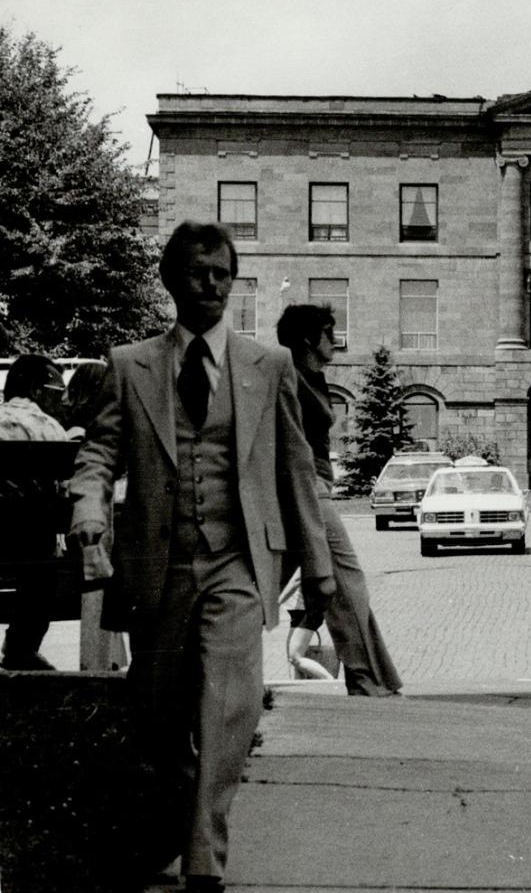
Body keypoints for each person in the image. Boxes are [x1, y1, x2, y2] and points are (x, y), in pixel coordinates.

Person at [69, 220, 334, 891]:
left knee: (229, 702)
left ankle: (202, 858)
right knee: (156, 721)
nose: (212, 285)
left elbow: (296, 469)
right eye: (197, 272)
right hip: (159, 564)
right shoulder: (129, 365)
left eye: (222, 273)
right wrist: (88, 514)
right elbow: (100, 452)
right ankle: (191, 808)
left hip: (238, 561)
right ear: (170, 281)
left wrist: (320, 570)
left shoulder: (267, 366)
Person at [276, 303, 402, 696]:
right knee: (347, 582)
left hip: (319, 488)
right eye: (329, 333)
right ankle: (368, 681)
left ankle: (371, 679)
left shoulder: (316, 378)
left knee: (315, 582)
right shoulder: (287, 377)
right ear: (307, 340)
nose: (336, 340)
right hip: (306, 489)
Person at [0, 353, 71, 671]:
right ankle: (21, 648)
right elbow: (64, 491)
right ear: (37, 391)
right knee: (42, 551)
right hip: (31, 550)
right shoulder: (49, 429)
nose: (62, 404)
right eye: (58, 395)